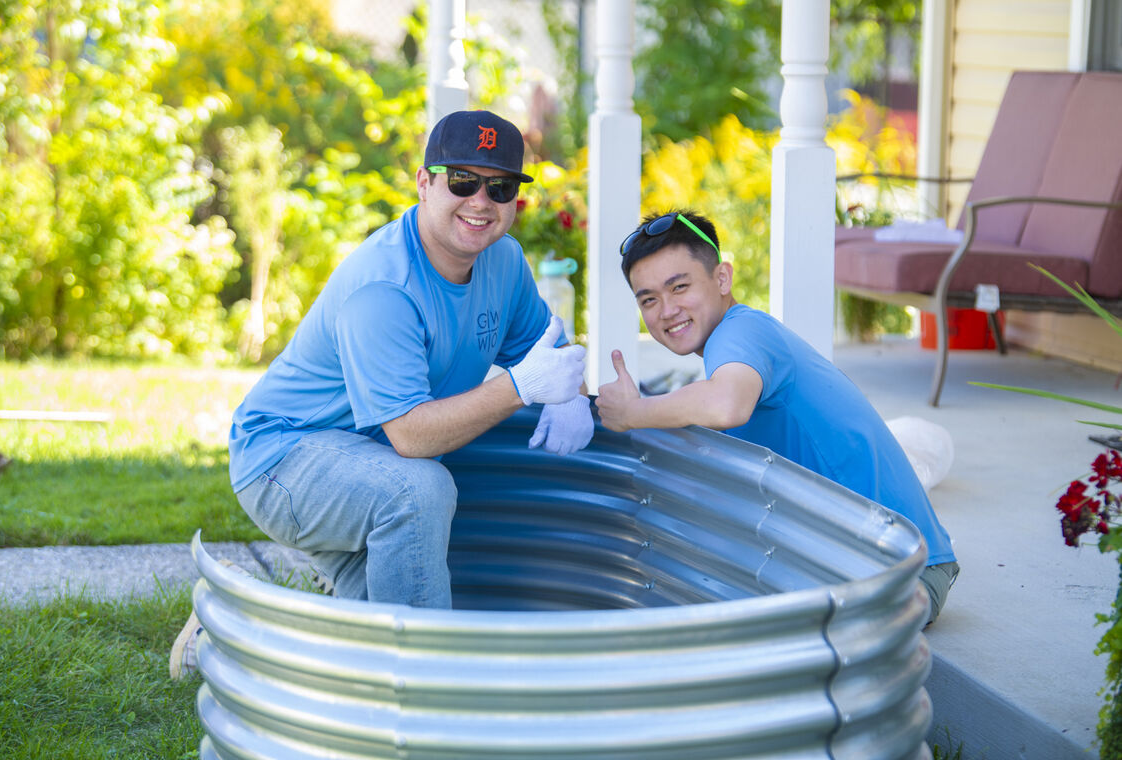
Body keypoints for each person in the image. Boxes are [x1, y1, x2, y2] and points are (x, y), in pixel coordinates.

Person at [170, 110, 593, 679]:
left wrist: (569, 392)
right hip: (284, 460)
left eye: (501, 186)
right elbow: (414, 437)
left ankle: (229, 621)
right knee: (420, 491)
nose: (481, 201)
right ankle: (421, 694)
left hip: (372, 466)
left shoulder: (503, 262)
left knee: (362, 642)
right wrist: (522, 388)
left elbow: (549, 350)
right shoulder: (385, 285)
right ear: (424, 183)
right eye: (462, 181)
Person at [595, 210, 958, 625]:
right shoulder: (733, 345)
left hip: (900, 574)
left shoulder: (741, 333)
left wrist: (636, 411)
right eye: (649, 299)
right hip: (869, 562)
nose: (667, 310)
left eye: (680, 287)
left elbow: (725, 405)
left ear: (722, 279)